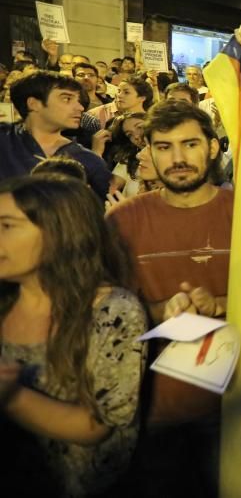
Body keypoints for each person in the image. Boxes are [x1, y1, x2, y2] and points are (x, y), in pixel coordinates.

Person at [107, 100, 231, 497]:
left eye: (190, 144)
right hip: (153, 411)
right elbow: (99, 315)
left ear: (212, 147)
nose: (178, 158)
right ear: (149, 152)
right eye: (163, 147)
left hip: (240, 410)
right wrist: (157, 311)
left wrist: (221, 304)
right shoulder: (122, 221)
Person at [0, 175, 146, 497]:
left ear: (58, 234)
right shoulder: (5, 300)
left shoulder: (113, 312)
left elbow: (96, 426)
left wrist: (12, 397)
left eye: (7, 226)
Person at [0, 72, 112, 198]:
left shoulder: (88, 160)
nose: (80, 107)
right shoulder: (5, 139)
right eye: (67, 99)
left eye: (78, 100)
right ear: (33, 103)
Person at [87, 75, 154, 129]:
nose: (119, 95)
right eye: (119, 91)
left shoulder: (150, 120)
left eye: (126, 92)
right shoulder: (95, 114)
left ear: (142, 98)